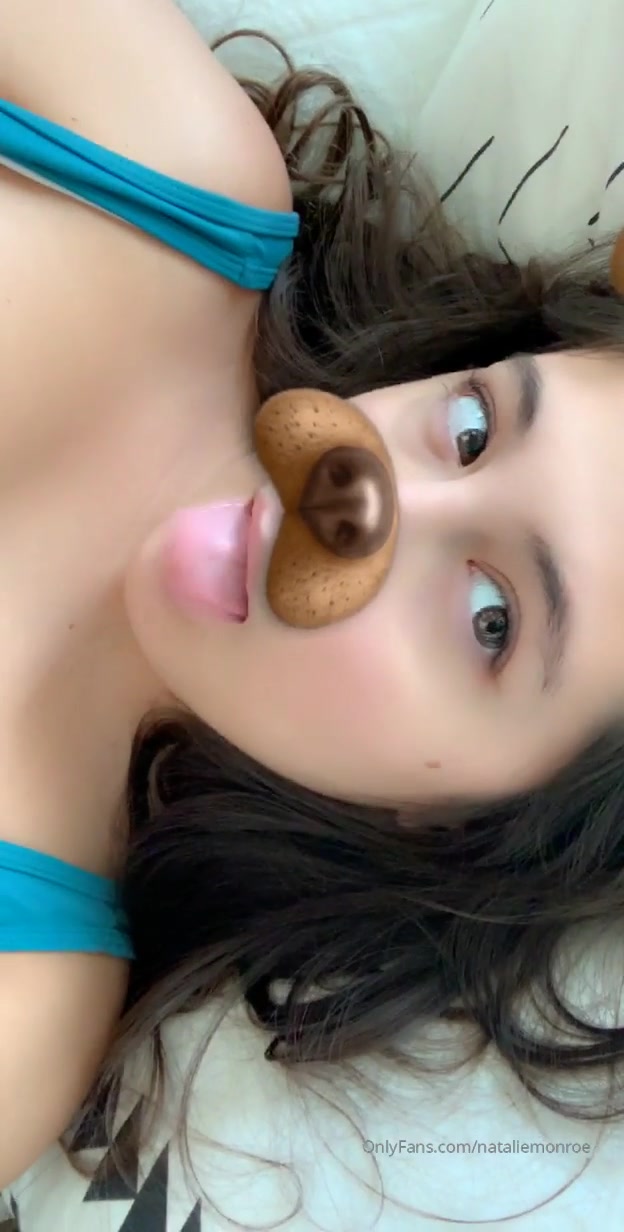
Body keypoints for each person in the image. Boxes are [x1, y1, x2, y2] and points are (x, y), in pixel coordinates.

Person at [2, 0, 624, 1197]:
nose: (362, 495)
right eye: (472, 427)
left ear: (463, 822)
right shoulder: (164, 162)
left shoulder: (22, 1000)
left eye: (490, 620)